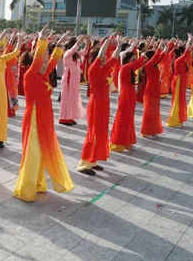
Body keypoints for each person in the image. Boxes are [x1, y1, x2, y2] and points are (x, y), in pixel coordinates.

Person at [14, 26, 74, 202]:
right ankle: (26, 189)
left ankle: (38, 184)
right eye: (43, 61)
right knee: (33, 152)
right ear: (36, 62)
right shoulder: (31, 75)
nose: (47, 64)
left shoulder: (43, 75)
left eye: (47, 62)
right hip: (33, 118)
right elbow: (39, 59)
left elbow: (54, 61)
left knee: (40, 153)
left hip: (45, 118)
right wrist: (42, 40)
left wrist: (60, 46)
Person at [77, 37, 121, 175]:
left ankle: (93, 160)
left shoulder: (104, 68)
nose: (104, 59)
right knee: (93, 133)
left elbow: (114, 57)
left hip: (104, 104)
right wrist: (107, 41)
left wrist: (119, 45)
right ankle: (84, 164)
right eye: (102, 58)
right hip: (95, 104)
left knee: (101, 133)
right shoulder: (94, 69)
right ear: (97, 59)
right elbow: (102, 54)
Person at [109, 40, 147, 152]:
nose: (134, 60)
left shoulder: (129, 68)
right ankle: (118, 142)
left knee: (129, 120)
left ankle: (127, 142)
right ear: (127, 60)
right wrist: (143, 55)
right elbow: (138, 63)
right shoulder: (125, 68)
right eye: (132, 58)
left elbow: (138, 63)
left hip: (130, 96)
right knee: (123, 120)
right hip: (125, 97)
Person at [166, 35, 193, 127]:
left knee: (181, 100)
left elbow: (188, 50)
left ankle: (178, 119)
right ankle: (174, 120)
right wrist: (190, 40)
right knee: (177, 101)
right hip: (177, 82)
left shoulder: (181, 59)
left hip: (181, 82)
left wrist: (192, 42)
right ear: (180, 53)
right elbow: (187, 52)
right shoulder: (178, 60)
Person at [59, 35, 86, 125]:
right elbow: (74, 49)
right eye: (75, 44)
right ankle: (63, 118)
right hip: (68, 77)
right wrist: (80, 40)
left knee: (73, 97)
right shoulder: (67, 53)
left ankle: (70, 116)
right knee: (67, 97)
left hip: (74, 78)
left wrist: (88, 42)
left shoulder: (75, 54)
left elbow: (84, 52)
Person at [141, 44, 167, 139]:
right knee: (149, 112)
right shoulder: (148, 64)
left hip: (155, 89)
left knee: (155, 112)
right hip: (150, 90)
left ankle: (153, 130)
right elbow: (157, 57)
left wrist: (166, 48)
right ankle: (146, 132)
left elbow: (161, 57)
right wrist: (160, 47)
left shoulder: (154, 64)